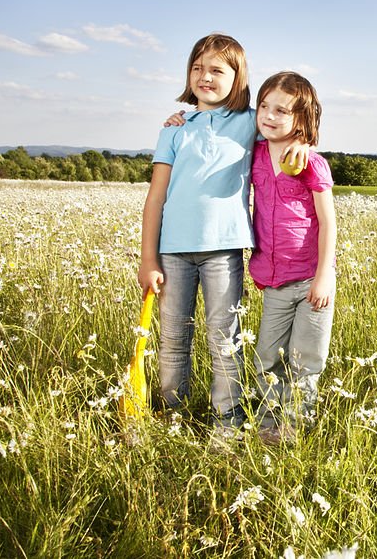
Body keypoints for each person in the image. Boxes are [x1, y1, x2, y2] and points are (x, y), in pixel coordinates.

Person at [138, 33, 307, 435]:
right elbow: (155, 198)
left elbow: (282, 125)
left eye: (217, 69)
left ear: (237, 77)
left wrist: (300, 137)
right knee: (174, 339)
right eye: (198, 68)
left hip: (224, 252)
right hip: (173, 252)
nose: (205, 76)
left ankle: (226, 422)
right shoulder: (175, 130)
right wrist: (148, 259)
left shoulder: (250, 122)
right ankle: (170, 417)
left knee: (224, 340)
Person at [249, 71, 336, 445]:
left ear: (301, 119)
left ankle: (294, 428)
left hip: (310, 280)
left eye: (281, 110)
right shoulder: (252, 153)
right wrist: (183, 119)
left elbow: (328, 221)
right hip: (273, 280)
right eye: (264, 106)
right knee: (267, 356)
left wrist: (325, 275)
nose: (269, 115)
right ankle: (268, 426)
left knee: (306, 359)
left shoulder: (310, 163)